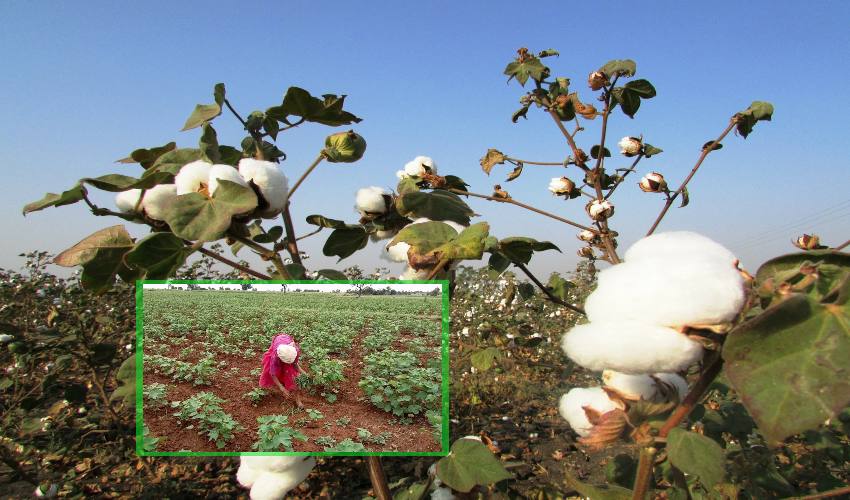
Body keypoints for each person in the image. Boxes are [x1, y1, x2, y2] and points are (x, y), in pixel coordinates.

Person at [258, 334, 308, 409]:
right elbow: (273, 374)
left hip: (286, 341)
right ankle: (282, 382)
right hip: (278, 342)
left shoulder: (295, 351)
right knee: (276, 370)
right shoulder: (275, 357)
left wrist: (305, 374)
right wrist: (282, 388)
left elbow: (295, 365)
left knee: (295, 377)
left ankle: (298, 400)